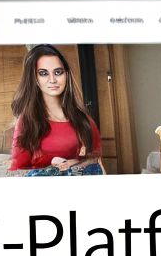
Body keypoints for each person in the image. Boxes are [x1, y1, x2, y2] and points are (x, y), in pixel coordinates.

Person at [6, 45, 102, 176]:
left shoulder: (84, 119)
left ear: (66, 74)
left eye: (58, 72)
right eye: (43, 73)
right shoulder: (27, 122)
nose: (52, 80)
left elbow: (97, 163)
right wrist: (52, 165)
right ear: (34, 78)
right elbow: (19, 171)